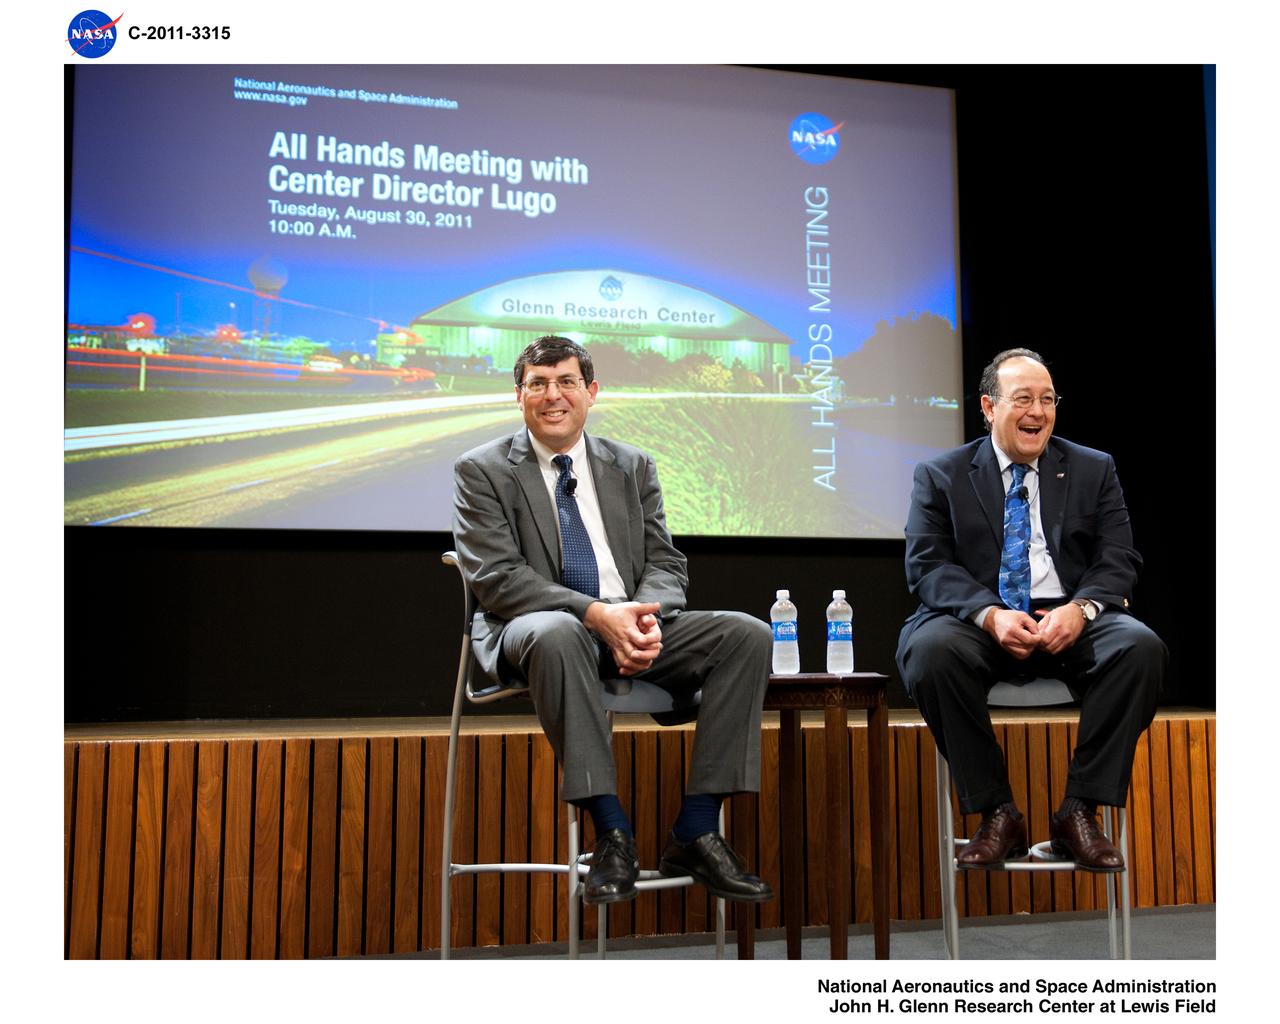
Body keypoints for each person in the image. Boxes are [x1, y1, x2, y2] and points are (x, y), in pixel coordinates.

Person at [452, 335, 774, 905]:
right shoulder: (481, 471)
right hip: (534, 628)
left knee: (746, 633)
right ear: (518, 396)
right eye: (538, 384)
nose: (553, 396)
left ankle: (697, 827)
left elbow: (666, 561)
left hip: (628, 621)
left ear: (592, 392)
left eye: (566, 382)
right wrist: (597, 614)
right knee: (558, 632)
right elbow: (499, 579)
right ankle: (611, 832)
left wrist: (643, 617)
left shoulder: (630, 464)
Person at [896, 348, 1166, 870]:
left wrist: (1082, 607)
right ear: (988, 407)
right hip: (980, 620)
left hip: (1069, 617)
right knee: (929, 652)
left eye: (1047, 400)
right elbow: (927, 565)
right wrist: (990, 614)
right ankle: (997, 813)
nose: (1037, 412)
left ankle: (1079, 811)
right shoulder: (941, 474)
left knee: (1139, 648)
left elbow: (1119, 557)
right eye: (1023, 399)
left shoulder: (1094, 468)